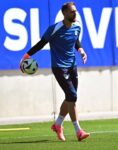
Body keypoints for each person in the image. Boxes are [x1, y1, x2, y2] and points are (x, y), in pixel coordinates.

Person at [20, 2, 90, 142]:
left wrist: (81, 50)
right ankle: (78, 131)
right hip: (59, 67)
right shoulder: (54, 29)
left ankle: (57, 125)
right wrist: (25, 56)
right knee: (72, 96)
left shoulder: (78, 26)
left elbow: (75, 40)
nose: (75, 13)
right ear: (64, 13)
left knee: (70, 98)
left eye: (75, 11)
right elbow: (41, 44)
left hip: (72, 66)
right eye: (72, 12)